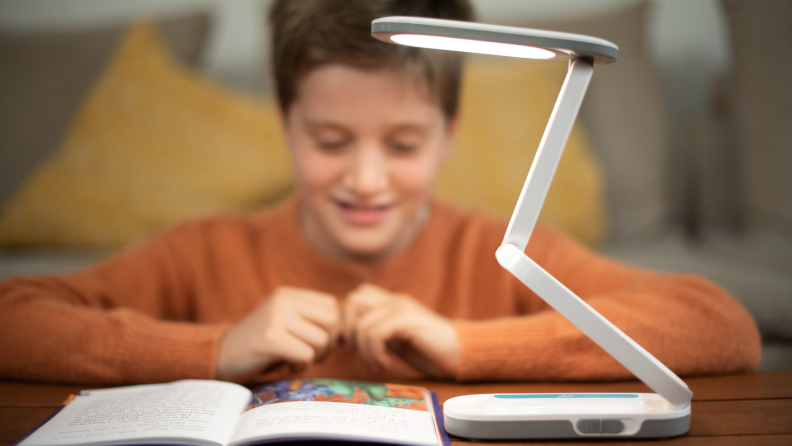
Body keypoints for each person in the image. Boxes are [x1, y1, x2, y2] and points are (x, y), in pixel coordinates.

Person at [0, 0, 760, 385]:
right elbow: (14, 317)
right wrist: (214, 347)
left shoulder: (495, 253)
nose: (366, 180)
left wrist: (466, 343)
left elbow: (720, 325)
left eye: (403, 145)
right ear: (284, 120)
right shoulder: (206, 251)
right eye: (331, 141)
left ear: (451, 129)